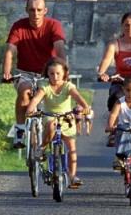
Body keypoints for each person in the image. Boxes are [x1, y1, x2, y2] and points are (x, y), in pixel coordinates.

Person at [3, 0, 67, 149]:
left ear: (45, 11)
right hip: (25, 72)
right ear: (26, 10)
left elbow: (59, 48)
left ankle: (46, 143)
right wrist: (6, 72)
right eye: (32, 10)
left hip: (48, 74)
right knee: (24, 93)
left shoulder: (53, 25)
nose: (35, 14)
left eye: (39, 10)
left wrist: (64, 70)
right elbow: (10, 51)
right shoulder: (19, 26)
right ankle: (20, 130)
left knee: (50, 110)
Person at [26, 58, 91, 189]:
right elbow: (36, 100)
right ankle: (42, 148)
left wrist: (85, 107)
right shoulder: (45, 86)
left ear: (64, 74)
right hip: (49, 117)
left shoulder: (68, 86)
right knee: (50, 125)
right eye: (51, 74)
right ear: (47, 74)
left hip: (66, 118)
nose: (55, 77)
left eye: (58, 74)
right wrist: (30, 109)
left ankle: (72, 176)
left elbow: (79, 98)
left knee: (72, 148)